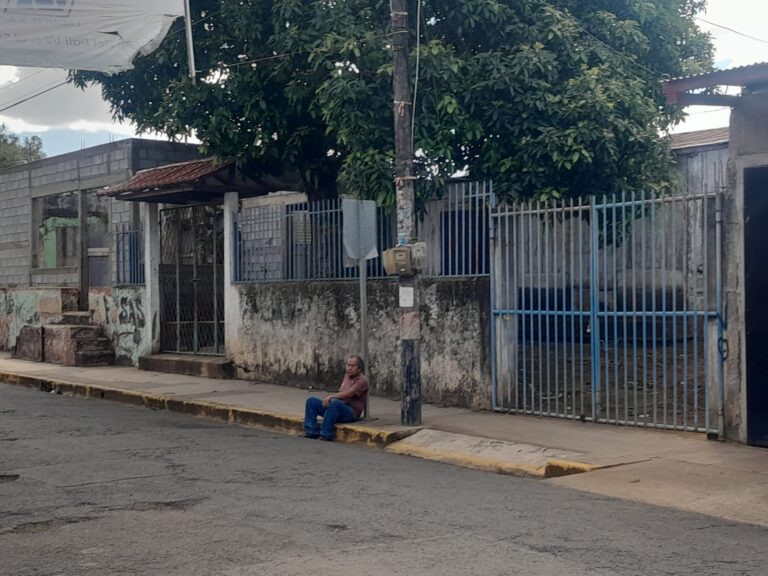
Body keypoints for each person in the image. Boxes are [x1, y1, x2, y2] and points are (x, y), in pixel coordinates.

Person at [304, 355, 369, 441]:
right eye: (348, 365)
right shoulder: (347, 376)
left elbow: (348, 394)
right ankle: (311, 431)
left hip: (350, 413)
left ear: (360, 368)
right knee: (311, 401)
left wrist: (330, 397)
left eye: (352, 366)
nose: (349, 368)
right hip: (337, 407)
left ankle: (325, 433)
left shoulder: (362, 381)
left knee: (334, 402)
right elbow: (341, 392)